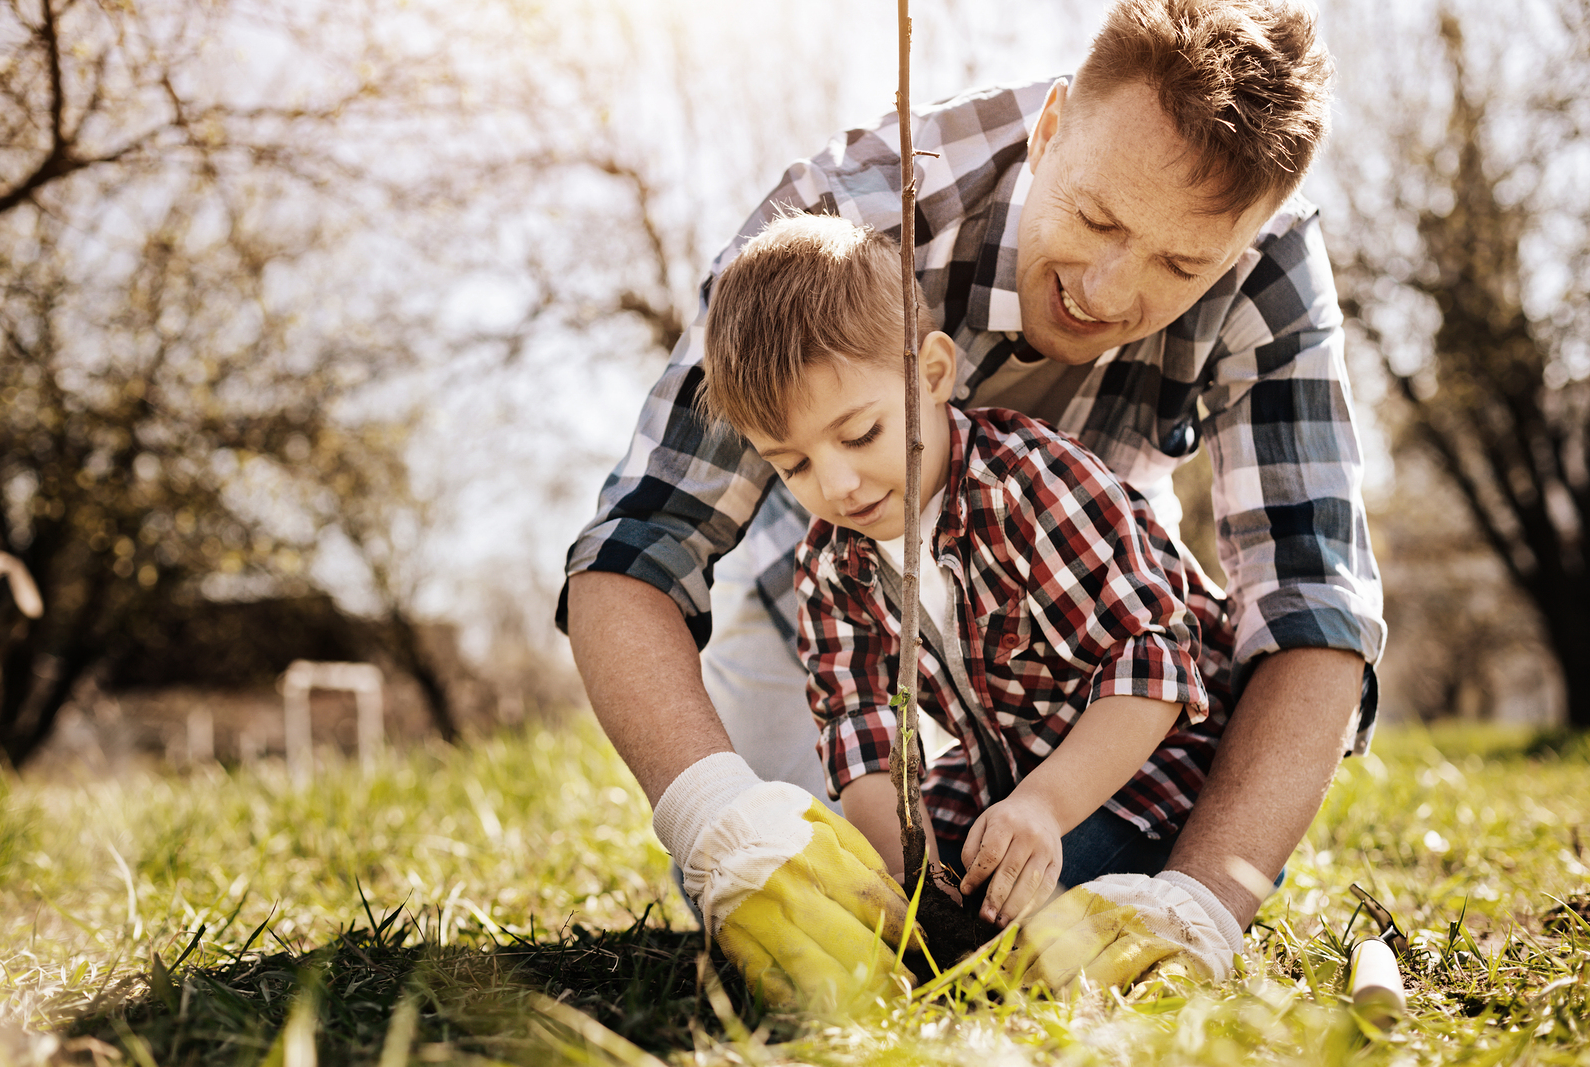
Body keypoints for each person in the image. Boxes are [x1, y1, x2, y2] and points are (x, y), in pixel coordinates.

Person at [560, 0, 1385, 1006]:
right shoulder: (844, 218)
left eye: (1180, 264)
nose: (1107, 289)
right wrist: (714, 814)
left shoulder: (1272, 275)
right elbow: (641, 540)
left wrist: (1204, 897)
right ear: (1048, 131)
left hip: (1093, 634)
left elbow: (1311, 604)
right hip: (825, 611)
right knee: (814, 921)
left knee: (1085, 893)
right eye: (1095, 216)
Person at [700, 211, 1239, 944]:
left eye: (861, 434)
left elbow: (1153, 665)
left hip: (1151, 766)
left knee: (1022, 924)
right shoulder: (831, 565)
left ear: (932, 374)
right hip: (1003, 776)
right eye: (791, 463)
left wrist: (1046, 805)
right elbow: (862, 731)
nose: (837, 482)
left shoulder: (1032, 484)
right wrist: (908, 889)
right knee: (888, 898)